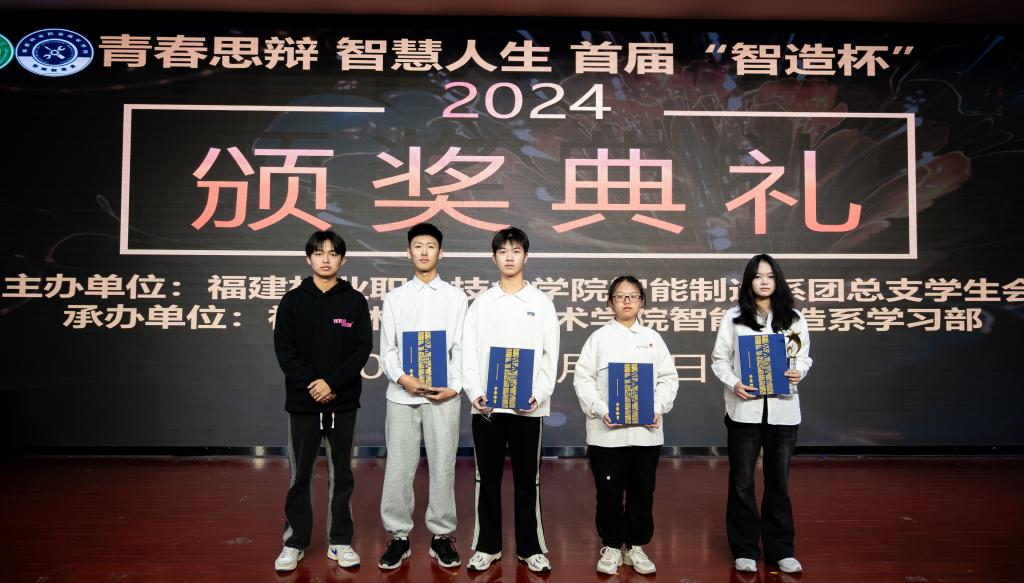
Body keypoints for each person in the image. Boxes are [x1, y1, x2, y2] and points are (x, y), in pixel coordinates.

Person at [272, 230, 372, 572]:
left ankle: (340, 541)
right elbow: (285, 350)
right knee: (299, 475)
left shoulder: (354, 301)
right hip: (303, 403)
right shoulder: (293, 301)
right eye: (319, 253)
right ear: (308, 258)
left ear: (343, 260)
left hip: (342, 403)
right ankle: (294, 542)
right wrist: (312, 385)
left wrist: (332, 383)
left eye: (332, 253)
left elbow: (361, 349)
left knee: (342, 474)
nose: (326, 259)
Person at [461, 227, 560, 573]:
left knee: (527, 480)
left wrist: (537, 394)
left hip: (528, 409)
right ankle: (487, 546)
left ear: (526, 257)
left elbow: (550, 357)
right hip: (487, 408)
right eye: (503, 251)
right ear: (494, 258)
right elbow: (468, 354)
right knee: (485, 480)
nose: (509, 257)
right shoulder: (481, 304)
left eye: (516, 251)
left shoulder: (541, 303)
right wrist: (476, 393)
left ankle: (530, 548)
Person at [710, 254, 812, 575]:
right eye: (757, 276)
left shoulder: (793, 317)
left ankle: (781, 549)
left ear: (777, 279)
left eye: (769, 276)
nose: (764, 281)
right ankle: (744, 548)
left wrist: (798, 371)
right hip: (745, 412)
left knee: (778, 481)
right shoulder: (734, 318)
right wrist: (734, 382)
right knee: (741, 482)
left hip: (783, 412)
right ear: (748, 282)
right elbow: (719, 360)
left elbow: (803, 357)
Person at [377, 223, 468, 569]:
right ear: (409, 252)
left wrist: (454, 387)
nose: (425, 251)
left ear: (441, 252)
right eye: (418, 245)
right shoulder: (395, 298)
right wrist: (403, 378)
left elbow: (461, 348)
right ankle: (398, 536)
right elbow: (388, 350)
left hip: (443, 396)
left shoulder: (456, 298)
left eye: (431, 245)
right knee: (399, 467)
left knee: (443, 465)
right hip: (402, 396)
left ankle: (441, 536)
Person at [573, 275, 679, 575]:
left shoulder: (653, 338)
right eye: (620, 296)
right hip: (607, 434)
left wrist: (657, 407)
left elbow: (668, 378)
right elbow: (583, 379)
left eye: (633, 295)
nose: (627, 301)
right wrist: (601, 409)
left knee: (642, 492)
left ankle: (635, 546)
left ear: (642, 301)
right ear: (611, 302)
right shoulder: (598, 338)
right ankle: (610, 546)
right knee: (608, 493)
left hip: (646, 433)